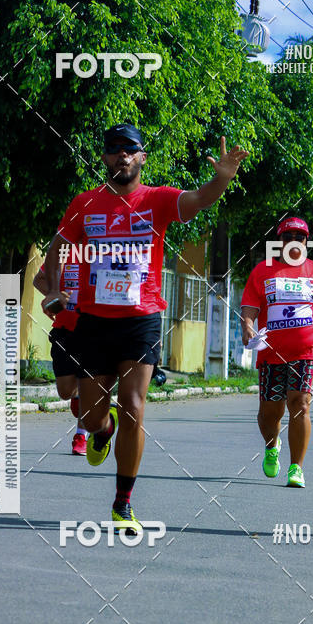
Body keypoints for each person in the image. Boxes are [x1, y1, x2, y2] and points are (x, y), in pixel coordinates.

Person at [41, 123, 248, 531]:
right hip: (93, 321)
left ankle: (122, 503)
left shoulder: (157, 200)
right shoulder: (85, 203)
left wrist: (220, 179)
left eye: (130, 149)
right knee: (92, 419)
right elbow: (59, 245)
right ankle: (103, 430)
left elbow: (200, 199)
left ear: (141, 157)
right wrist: (52, 290)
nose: (122, 155)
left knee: (134, 404)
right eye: (114, 149)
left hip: (142, 319)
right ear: (104, 157)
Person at [240, 216, 313, 488]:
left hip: (308, 349)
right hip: (272, 353)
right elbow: (249, 307)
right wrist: (248, 326)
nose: (293, 241)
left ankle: (296, 467)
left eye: (300, 237)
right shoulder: (263, 271)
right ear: (279, 241)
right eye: (288, 237)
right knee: (269, 414)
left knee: (300, 403)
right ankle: (272, 445)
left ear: (307, 241)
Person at [33, 260, 88, 455]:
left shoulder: (103, 250)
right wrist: (53, 296)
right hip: (64, 330)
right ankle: (78, 396)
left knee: (86, 382)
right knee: (65, 392)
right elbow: (38, 279)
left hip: (92, 331)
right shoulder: (64, 252)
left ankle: (81, 435)